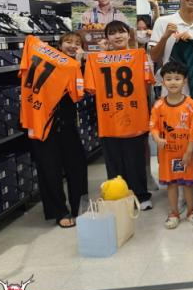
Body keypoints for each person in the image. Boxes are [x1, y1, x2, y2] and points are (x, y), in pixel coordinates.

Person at [84, 20, 154, 209]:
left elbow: (148, 84)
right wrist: (102, 54)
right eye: (112, 33)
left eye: (121, 31)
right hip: (110, 119)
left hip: (134, 116)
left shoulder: (139, 55)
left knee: (136, 160)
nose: (117, 36)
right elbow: (91, 88)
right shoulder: (96, 59)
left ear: (129, 35)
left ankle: (141, 195)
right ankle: (118, 198)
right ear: (107, 38)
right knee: (114, 163)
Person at [30, 32, 88, 228]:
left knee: (77, 166)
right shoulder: (44, 62)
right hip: (42, 124)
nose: (72, 45)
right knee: (49, 170)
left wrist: (78, 65)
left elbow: (79, 94)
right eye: (68, 42)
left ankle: (80, 207)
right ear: (59, 45)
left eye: (77, 43)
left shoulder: (78, 66)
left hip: (68, 125)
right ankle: (59, 212)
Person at [150, 61, 193, 229]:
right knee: (171, 184)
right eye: (169, 79)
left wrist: (189, 151)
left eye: (177, 78)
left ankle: (191, 211)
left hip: (186, 153)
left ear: (184, 81)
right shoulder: (158, 105)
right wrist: (157, 138)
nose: (173, 82)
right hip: (167, 153)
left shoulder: (191, 105)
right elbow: (153, 126)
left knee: (188, 183)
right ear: (163, 81)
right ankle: (173, 213)